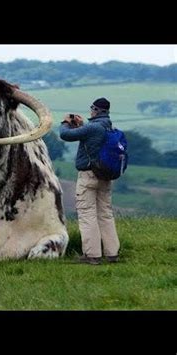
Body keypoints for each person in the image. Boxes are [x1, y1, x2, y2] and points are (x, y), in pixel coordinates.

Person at [59, 97, 120, 265]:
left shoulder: (93, 127)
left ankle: (92, 255)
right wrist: (80, 124)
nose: (90, 111)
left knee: (87, 214)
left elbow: (65, 135)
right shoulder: (109, 126)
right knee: (105, 214)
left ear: (97, 110)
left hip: (89, 176)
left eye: (92, 108)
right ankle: (112, 253)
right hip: (105, 176)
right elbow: (88, 135)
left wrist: (65, 122)